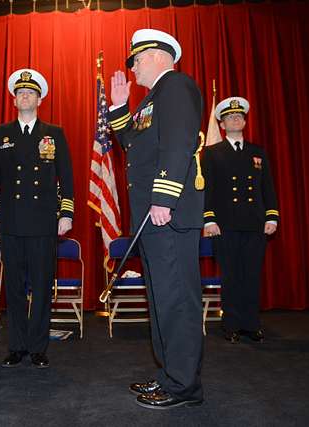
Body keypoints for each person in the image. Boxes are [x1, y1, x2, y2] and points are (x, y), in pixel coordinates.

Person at [107, 28, 204, 410]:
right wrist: (118, 108)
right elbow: (134, 143)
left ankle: (183, 385)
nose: (132, 68)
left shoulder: (176, 86)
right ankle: (169, 374)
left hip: (168, 213)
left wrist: (163, 198)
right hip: (152, 216)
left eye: (136, 60)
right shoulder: (151, 99)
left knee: (177, 299)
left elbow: (180, 141)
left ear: (160, 56)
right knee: (162, 298)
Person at [0, 69, 74, 369]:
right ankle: (17, 346)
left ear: (39, 99)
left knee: (42, 284)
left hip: (44, 220)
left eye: (30, 93)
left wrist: (67, 213)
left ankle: (38, 347)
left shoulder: (54, 133)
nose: (25, 96)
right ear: (14, 100)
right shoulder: (0, 134)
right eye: (20, 93)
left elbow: (67, 177)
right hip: (10, 219)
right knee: (14, 286)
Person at [202, 96, 279, 344]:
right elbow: (208, 189)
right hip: (225, 225)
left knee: (252, 275)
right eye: (230, 117)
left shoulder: (257, 152)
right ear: (222, 125)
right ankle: (231, 324)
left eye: (239, 116)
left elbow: (267, 187)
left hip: (255, 223)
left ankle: (251, 324)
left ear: (244, 121)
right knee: (231, 276)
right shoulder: (213, 153)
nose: (236, 119)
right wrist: (209, 219)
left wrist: (272, 216)